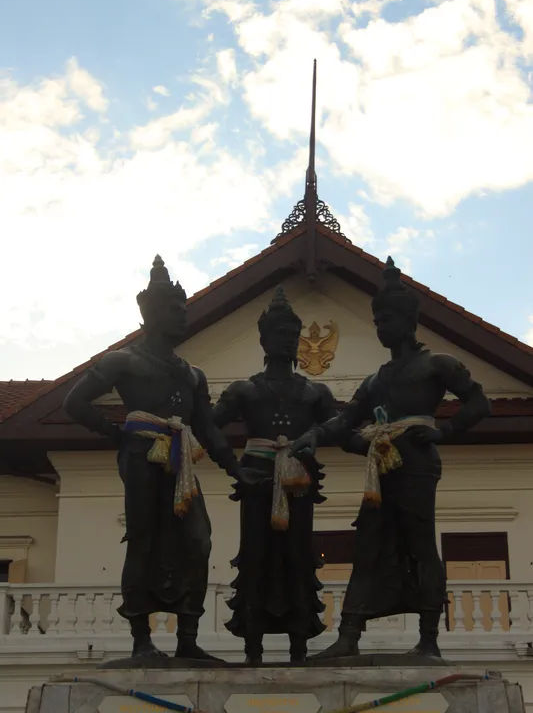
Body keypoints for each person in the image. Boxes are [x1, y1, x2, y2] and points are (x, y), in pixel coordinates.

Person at [64, 255, 263, 660]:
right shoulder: (124, 361)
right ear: (151, 313)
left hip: (180, 458)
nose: (182, 317)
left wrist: (235, 469)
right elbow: (74, 402)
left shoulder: (192, 374)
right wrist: (117, 434)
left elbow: (207, 428)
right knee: (144, 539)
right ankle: (142, 639)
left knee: (198, 540)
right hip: (141, 454)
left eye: (184, 309)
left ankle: (187, 638)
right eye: (174, 310)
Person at [291, 258, 491, 659]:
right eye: (377, 320)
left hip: (417, 462)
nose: (381, 327)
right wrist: (318, 434)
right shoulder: (375, 380)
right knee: (367, 544)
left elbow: (478, 402)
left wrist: (444, 431)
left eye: (387, 319)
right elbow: (346, 420)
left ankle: (429, 638)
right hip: (381, 469)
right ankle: (349, 635)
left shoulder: (437, 365)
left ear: (408, 320)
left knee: (420, 545)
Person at [213, 287, 337, 664]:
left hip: (298, 482)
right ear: (263, 339)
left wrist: (318, 435)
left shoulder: (315, 392)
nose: (285, 340)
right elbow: (207, 427)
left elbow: (342, 426)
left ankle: (299, 646)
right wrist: (234, 468)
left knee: (298, 557)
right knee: (256, 557)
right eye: (278, 333)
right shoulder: (244, 390)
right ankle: (253, 647)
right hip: (256, 481)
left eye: (291, 334)